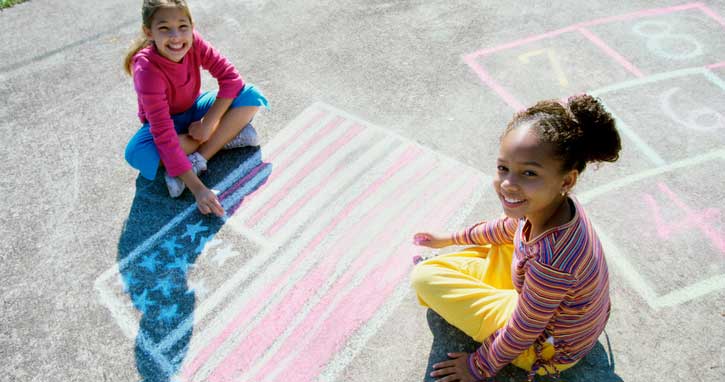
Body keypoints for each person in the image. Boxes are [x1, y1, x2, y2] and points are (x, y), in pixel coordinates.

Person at [411, 94, 621, 381]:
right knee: (498, 241)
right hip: (547, 305)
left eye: (529, 173)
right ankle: (490, 281)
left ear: (567, 180)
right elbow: (507, 228)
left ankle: (487, 291)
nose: (508, 184)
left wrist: (478, 366)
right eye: (503, 168)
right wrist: (448, 238)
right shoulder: (553, 206)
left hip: (546, 346)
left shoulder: (551, 262)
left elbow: (523, 331)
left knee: (425, 277)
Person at [123, 0, 269, 217]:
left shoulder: (194, 42)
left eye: (183, 26)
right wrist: (199, 189)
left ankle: (198, 159)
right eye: (164, 29)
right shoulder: (146, 70)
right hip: (166, 124)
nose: (176, 37)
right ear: (149, 32)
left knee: (251, 96)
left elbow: (231, 79)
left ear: (192, 26)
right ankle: (227, 136)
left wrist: (208, 123)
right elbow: (162, 133)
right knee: (137, 154)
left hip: (194, 109)